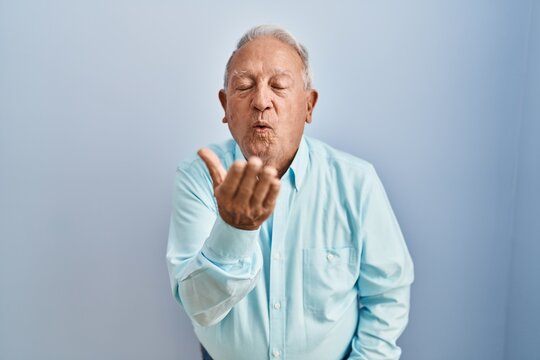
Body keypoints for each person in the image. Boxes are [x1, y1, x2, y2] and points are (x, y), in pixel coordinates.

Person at [166, 25, 414, 360]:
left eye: (279, 86)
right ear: (225, 106)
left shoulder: (357, 182)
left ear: (309, 106)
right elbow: (198, 307)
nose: (261, 102)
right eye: (243, 86)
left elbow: (387, 296)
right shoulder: (198, 177)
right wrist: (234, 229)